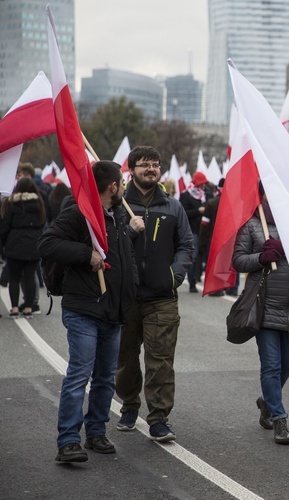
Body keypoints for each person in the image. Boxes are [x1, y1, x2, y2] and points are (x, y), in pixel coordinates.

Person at [38, 161, 137, 463]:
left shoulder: (118, 214)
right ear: (112, 186)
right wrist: (85, 254)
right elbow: (48, 243)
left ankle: (96, 432)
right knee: (80, 374)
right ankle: (68, 440)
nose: (123, 187)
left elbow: (121, 258)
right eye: (121, 182)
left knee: (106, 377)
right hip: (84, 308)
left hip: (113, 310)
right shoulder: (79, 212)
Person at [115, 146, 193, 442]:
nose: (151, 169)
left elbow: (187, 244)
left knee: (160, 360)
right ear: (131, 169)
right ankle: (129, 404)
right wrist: (131, 231)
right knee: (125, 359)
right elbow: (109, 242)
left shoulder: (172, 206)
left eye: (156, 164)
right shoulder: (118, 206)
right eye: (145, 164)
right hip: (126, 296)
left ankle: (159, 417)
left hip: (162, 298)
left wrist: (174, 275)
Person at [232, 187, 289, 445]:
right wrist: (262, 257)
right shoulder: (252, 223)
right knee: (271, 364)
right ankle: (279, 418)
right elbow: (238, 260)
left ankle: (268, 402)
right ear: (262, 194)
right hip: (265, 306)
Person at [0, 177, 45, 318]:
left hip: (15, 243)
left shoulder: (11, 203)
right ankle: (28, 308)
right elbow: (43, 222)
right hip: (34, 243)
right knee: (30, 277)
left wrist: (4, 244)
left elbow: (4, 226)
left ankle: (14, 308)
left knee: (14, 278)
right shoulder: (39, 203)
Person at [180, 171, 209, 293]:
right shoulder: (186, 196)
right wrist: (198, 210)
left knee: (199, 255)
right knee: (194, 255)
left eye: (204, 184)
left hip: (204, 230)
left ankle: (196, 276)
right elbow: (183, 213)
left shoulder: (205, 195)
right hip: (192, 230)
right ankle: (192, 281)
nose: (202, 187)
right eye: (200, 184)